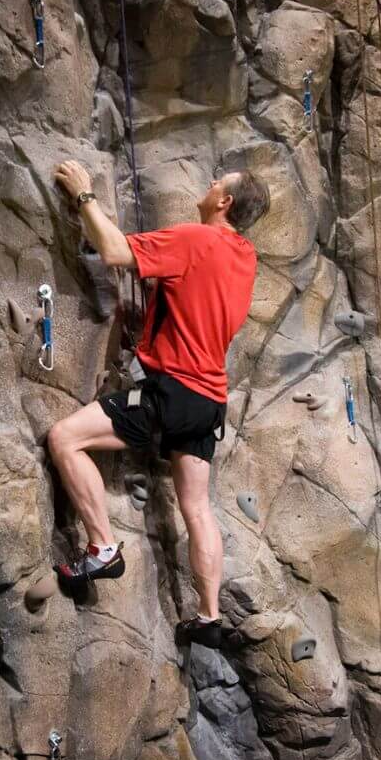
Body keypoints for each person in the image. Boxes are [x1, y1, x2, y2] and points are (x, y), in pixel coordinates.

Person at [44, 159, 269, 645]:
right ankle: (208, 616)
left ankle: (102, 548)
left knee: (64, 439)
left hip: (171, 390)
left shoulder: (195, 238)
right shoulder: (245, 257)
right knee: (196, 506)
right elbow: (198, 294)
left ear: (225, 202)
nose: (209, 185)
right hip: (210, 399)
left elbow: (113, 250)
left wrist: (85, 195)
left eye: (217, 182)